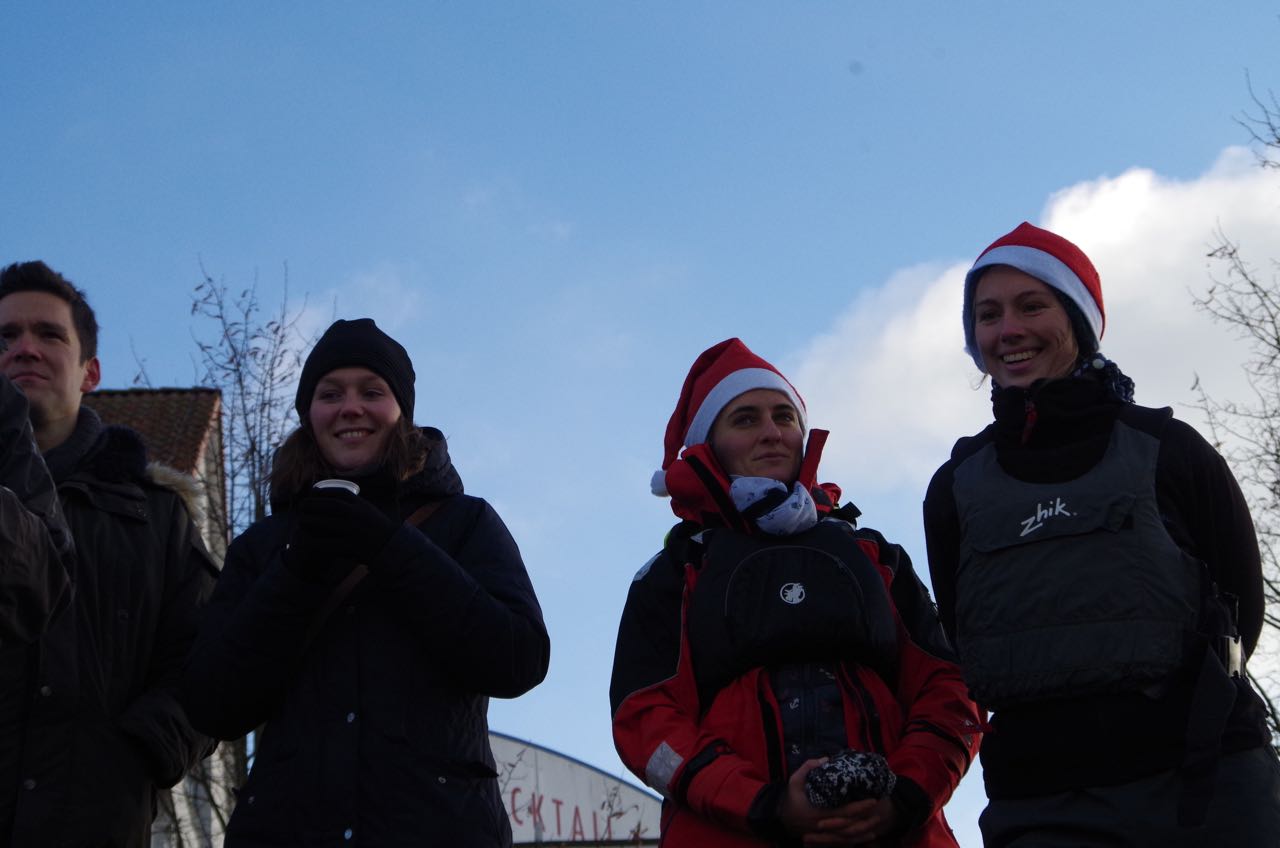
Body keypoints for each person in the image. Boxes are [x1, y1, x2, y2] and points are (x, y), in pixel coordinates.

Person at [923, 221, 1280, 846]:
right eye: (988, 315)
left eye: (1032, 306)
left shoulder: (1171, 450)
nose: (1008, 330)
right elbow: (965, 630)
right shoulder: (955, 487)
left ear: (1080, 322)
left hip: (1204, 790)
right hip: (1040, 804)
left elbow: (1241, 611)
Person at [183, 317, 550, 846]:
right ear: (309, 414)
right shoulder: (264, 546)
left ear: (402, 411)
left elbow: (519, 658)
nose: (350, 407)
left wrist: (392, 549)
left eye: (372, 392)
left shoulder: (465, 522)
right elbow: (211, 703)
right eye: (330, 394)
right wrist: (296, 572)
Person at [611, 338, 981, 848]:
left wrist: (906, 796)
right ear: (708, 445)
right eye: (745, 419)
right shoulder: (673, 572)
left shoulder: (875, 555)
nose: (772, 432)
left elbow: (952, 689)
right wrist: (765, 805)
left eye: (784, 417)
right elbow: (645, 722)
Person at [0, 261, 218, 846]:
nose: (24, 349)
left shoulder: (157, 518)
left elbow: (209, 660)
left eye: (49, 334)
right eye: (6, 336)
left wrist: (139, 753)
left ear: (90, 372)